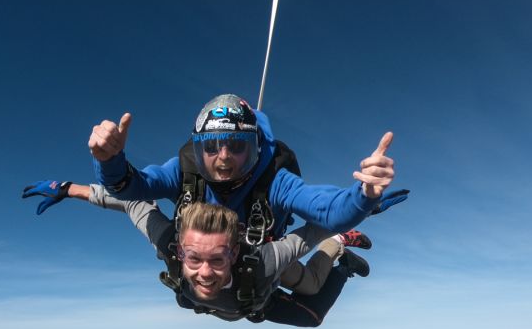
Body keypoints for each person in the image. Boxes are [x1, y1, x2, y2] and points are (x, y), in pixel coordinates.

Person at [22, 181, 368, 326]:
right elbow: (131, 201)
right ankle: (337, 250)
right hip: (249, 293)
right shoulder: (169, 244)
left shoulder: (263, 260)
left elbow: (308, 232)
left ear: (233, 253)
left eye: (217, 259)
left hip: (258, 284)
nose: (204, 273)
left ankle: (340, 251)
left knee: (311, 303)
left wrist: (360, 204)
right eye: (194, 259)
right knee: (305, 287)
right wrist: (68, 189)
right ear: (181, 251)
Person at [87, 93, 408, 243]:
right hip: (210, 259)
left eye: (236, 145)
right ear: (198, 150)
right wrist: (110, 161)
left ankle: (340, 249)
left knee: (305, 300)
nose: (223, 156)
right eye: (211, 147)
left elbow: (325, 208)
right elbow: (133, 187)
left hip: (260, 250)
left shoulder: (274, 179)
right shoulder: (183, 171)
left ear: (254, 149)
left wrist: (363, 196)